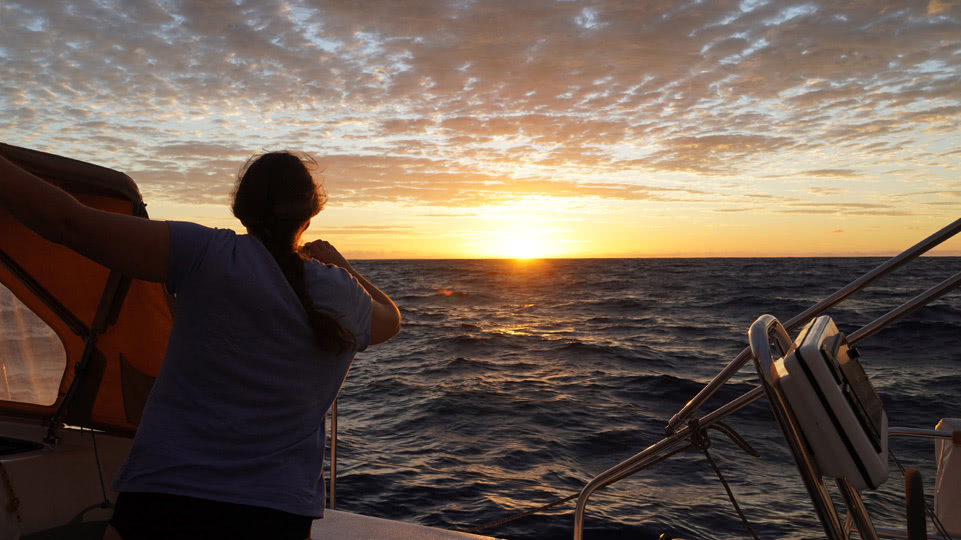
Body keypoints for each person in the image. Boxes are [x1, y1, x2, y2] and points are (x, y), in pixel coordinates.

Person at [0, 150, 401, 539]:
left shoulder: (206, 253)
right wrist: (342, 266)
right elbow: (391, 320)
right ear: (311, 212)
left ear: (241, 208)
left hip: (166, 500)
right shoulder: (342, 294)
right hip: (278, 515)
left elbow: (69, 223)